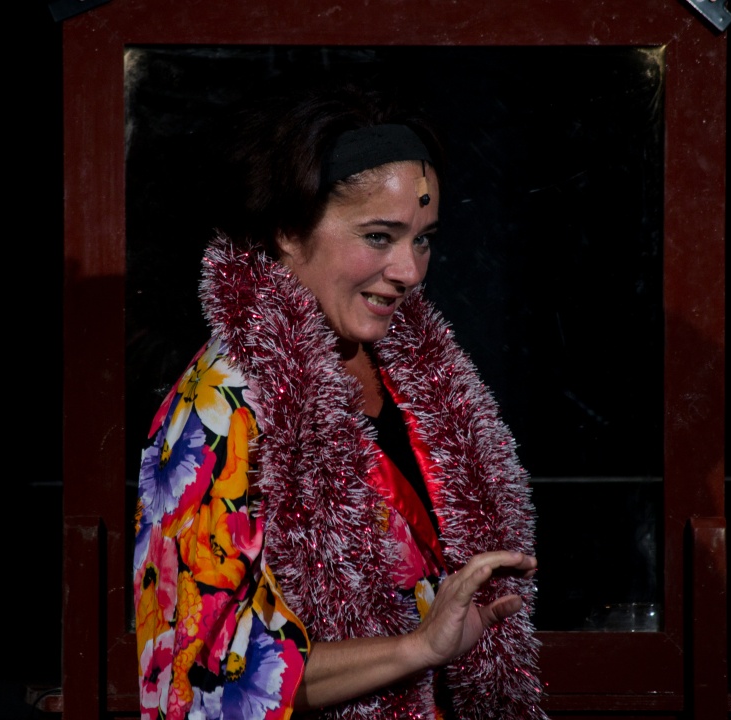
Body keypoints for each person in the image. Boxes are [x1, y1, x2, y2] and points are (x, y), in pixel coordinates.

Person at [132, 77, 545, 720]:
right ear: (288, 232)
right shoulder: (219, 409)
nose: (410, 271)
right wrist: (416, 648)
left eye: (423, 238)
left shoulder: (417, 373)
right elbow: (202, 678)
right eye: (379, 236)